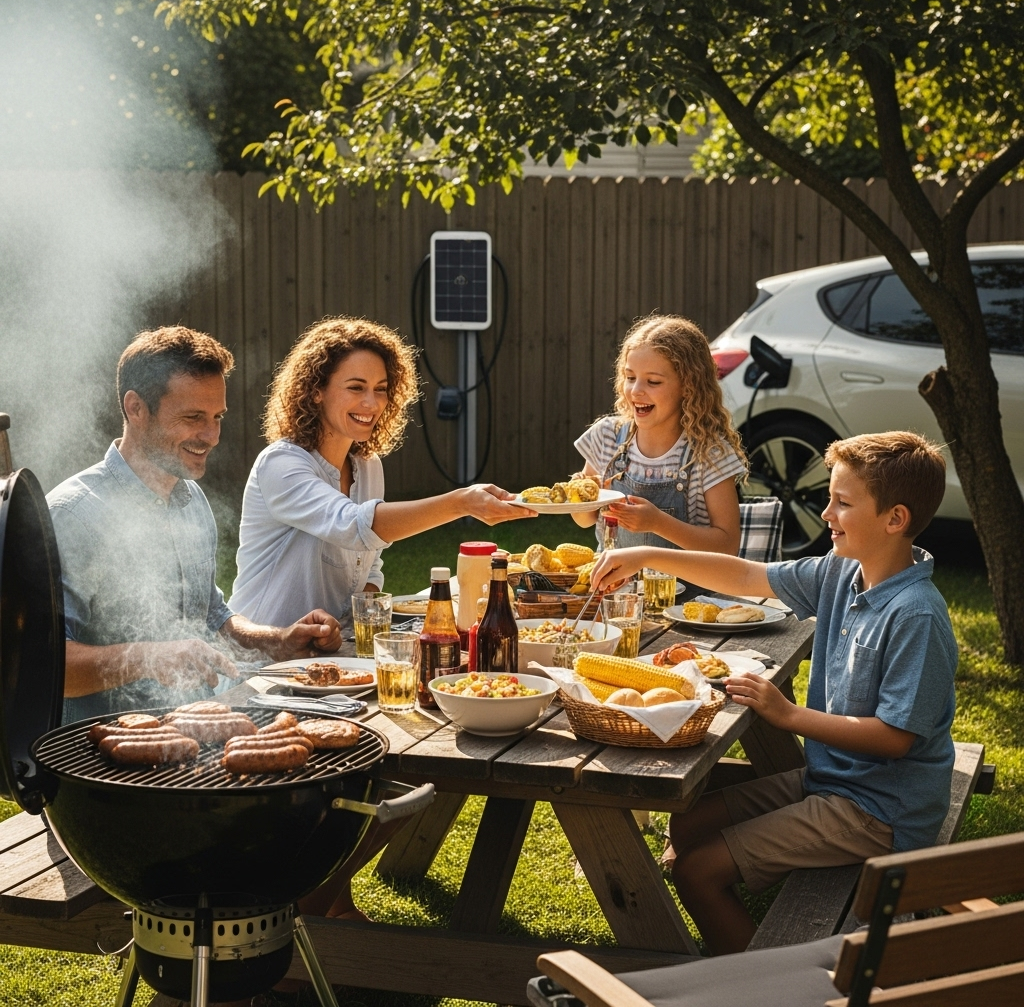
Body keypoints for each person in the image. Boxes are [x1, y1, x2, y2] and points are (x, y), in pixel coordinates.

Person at [590, 431, 957, 955]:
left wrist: (787, 715)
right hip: (832, 782)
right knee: (688, 821)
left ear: (894, 519)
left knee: (697, 873)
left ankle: (764, 986)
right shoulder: (843, 572)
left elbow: (895, 739)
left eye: (843, 503)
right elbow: (745, 575)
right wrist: (649, 555)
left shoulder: (916, 614)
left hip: (880, 812)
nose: (826, 513)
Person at [47, 327, 343, 724]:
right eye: (192, 418)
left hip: (196, 736)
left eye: (217, 417)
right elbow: (45, 663)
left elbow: (211, 617)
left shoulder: (190, 500)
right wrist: (150, 657)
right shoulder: (74, 515)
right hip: (101, 756)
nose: (211, 436)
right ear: (135, 408)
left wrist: (281, 641)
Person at [228, 316, 535, 626]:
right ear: (316, 390)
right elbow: (353, 526)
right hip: (262, 656)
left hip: (331, 653)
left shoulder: (368, 466)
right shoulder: (281, 464)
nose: (371, 403)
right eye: (356, 387)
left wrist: (364, 617)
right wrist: (461, 502)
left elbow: (370, 566)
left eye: (381, 389)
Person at [572, 314, 746, 553]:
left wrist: (658, 523)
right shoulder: (606, 438)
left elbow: (727, 546)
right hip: (615, 587)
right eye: (630, 377)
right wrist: (578, 498)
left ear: (688, 386)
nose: (636, 390)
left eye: (653, 382)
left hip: (688, 590)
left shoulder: (709, 454)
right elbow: (585, 519)